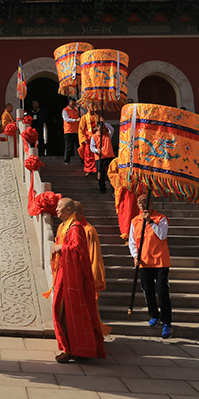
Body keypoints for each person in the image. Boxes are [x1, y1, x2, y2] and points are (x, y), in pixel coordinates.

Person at [47, 198, 106, 362]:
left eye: (59, 207)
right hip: (63, 273)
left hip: (72, 277)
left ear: (68, 211)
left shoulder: (75, 228)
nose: (56, 209)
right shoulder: (63, 226)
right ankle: (71, 347)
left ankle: (74, 349)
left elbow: (79, 249)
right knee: (62, 310)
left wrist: (61, 248)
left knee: (69, 312)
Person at [129, 195, 173, 339]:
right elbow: (132, 242)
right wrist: (135, 256)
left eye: (144, 202)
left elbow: (162, 235)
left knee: (162, 291)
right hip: (144, 261)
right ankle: (154, 314)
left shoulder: (161, 218)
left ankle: (167, 322)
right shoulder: (135, 221)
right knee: (148, 290)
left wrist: (150, 222)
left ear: (151, 203)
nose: (142, 205)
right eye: (139, 203)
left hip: (160, 261)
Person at [73, 201, 110, 338]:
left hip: (86, 275)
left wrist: (94, 277)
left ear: (80, 212)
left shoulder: (88, 230)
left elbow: (94, 256)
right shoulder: (65, 227)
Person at [90, 121, 115, 194]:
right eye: (100, 128)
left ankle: (113, 190)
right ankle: (102, 188)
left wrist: (104, 122)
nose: (102, 130)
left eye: (103, 128)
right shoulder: (94, 136)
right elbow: (92, 147)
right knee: (101, 174)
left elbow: (112, 129)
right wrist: (96, 150)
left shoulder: (108, 135)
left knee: (111, 173)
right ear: (97, 128)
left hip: (110, 156)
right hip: (100, 157)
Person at [61, 98, 81, 164]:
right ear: (69, 103)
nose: (74, 105)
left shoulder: (77, 110)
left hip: (77, 131)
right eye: (72, 104)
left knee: (79, 147)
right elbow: (66, 119)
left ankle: (82, 160)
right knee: (69, 147)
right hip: (68, 131)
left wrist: (80, 108)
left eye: (74, 104)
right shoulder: (65, 110)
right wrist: (75, 120)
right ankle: (66, 160)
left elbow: (82, 115)